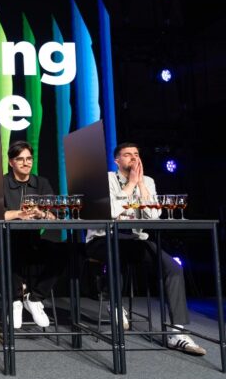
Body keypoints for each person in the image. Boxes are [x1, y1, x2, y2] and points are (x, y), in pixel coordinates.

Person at [86, 142, 206, 355]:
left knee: (173, 268)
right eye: (127, 155)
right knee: (117, 253)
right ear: (116, 161)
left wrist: (141, 185)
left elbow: (153, 216)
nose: (133, 158)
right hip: (103, 239)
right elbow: (110, 212)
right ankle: (114, 303)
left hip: (135, 240)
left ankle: (177, 332)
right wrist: (130, 185)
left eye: (136, 154)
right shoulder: (105, 180)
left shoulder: (148, 181)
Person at [3, 140, 66, 330]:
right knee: (13, 247)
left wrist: (43, 214)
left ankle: (35, 298)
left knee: (63, 253)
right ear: (11, 162)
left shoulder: (41, 183)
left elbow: (57, 214)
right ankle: (15, 301)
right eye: (20, 159)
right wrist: (18, 214)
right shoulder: (1, 183)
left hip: (34, 241)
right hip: (5, 242)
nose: (26, 163)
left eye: (29, 158)